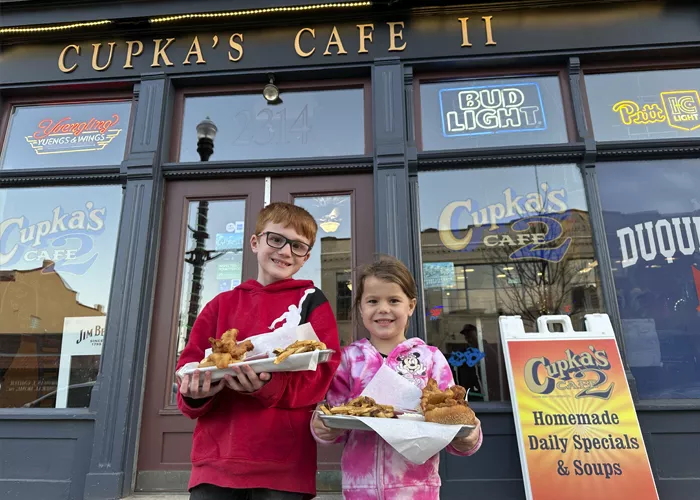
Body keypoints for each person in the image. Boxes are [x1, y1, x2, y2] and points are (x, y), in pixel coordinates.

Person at [176, 202, 341, 500]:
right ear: (255, 242)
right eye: (276, 239)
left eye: (298, 246)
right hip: (215, 461)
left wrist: (268, 385)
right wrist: (194, 393)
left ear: (306, 257)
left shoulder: (312, 301)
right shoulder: (219, 305)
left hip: (284, 463)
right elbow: (189, 368)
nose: (286, 251)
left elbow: (323, 374)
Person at [311, 256, 482, 499]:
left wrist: (469, 438)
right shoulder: (349, 360)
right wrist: (323, 428)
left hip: (417, 489)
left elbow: (452, 418)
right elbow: (335, 418)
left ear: (410, 306)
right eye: (372, 301)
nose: (383, 309)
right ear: (360, 307)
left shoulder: (430, 359)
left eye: (393, 300)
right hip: (360, 488)